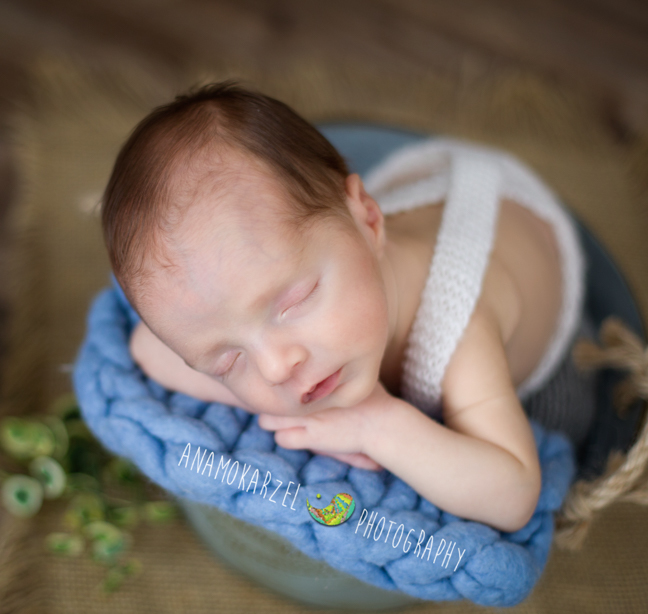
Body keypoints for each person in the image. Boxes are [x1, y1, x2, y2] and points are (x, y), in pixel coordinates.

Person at [100, 80, 596, 534]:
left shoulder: (459, 326)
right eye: (228, 361)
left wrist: (377, 424)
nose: (275, 367)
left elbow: (512, 494)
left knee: (567, 412)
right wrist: (273, 407)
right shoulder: (303, 293)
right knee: (305, 209)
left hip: (513, 228)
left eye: (293, 303)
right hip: (376, 227)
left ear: (369, 219)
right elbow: (147, 348)